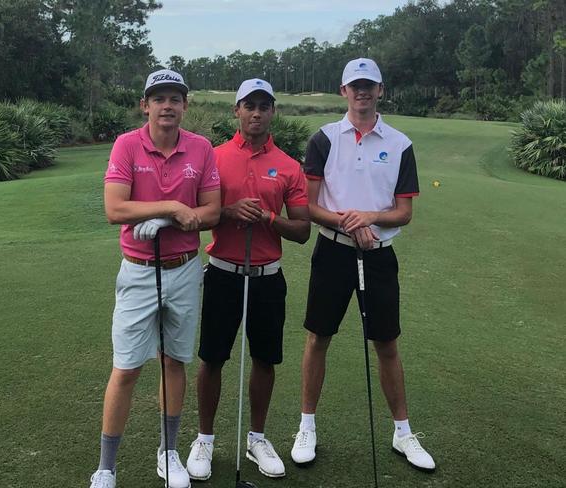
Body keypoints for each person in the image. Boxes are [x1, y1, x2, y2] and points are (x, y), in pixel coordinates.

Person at [290, 58, 436, 473]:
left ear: (380, 90)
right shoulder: (324, 139)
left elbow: (403, 212)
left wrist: (368, 218)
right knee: (318, 337)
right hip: (332, 252)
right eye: (355, 86)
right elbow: (308, 206)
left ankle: (403, 432)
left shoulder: (401, 143)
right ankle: (307, 426)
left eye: (369, 85)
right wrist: (346, 222)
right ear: (343, 92)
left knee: (386, 343)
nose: (362, 92)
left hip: (378, 255)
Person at [89, 69, 221, 488]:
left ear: (185, 105)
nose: (167, 106)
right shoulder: (127, 145)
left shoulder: (201, 149)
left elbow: (212, 212)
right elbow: (115, 208)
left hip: (183, 269)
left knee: (173, 361)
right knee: (126, 368)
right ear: (145, 105)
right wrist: (165, 208)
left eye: (175, 98)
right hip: (139, 271)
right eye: (158, 98)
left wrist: (176, 217)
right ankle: (106, 468)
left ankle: (168, 452)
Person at [185, 79, 310, 481]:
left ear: (273, 112)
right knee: (213, 358)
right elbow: (198, 217)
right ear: (236, 111)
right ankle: (204, 438)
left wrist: (269, 219)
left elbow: (303, 230)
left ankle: (257, 437)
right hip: (223, 273)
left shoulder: (289, 166)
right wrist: (230, 211)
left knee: (265, 359)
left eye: (264, 106)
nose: (256, 113)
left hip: (267, 279)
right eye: (248, 106)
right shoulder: (214, 158)